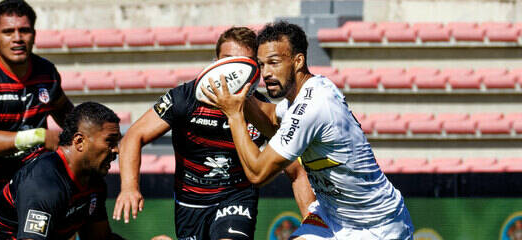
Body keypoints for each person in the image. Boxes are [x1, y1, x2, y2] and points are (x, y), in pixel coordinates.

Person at [201, 21, 414, 239]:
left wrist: (235, 114)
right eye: (261, 64)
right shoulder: (307, 93)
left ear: (298, 61)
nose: (266, 73)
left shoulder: (313, 107)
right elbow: (272, 118)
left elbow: (258, 173)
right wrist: (240, 93)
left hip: (377, 225)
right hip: (331, 216)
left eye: (274, 63)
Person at [113, 26, 314, 240]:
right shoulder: (185, 98)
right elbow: (134, 136)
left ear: (254, 69)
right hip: (190, 204)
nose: (233, 72)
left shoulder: (261, 112)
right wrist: (129, 188)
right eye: (227, 61)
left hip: (236, 198)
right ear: (215, 63)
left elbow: (297, 171)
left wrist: (314, 228)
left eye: (242, 64)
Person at [0, 0, 74, 229]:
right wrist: (39, 136)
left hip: (35, 180)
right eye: (8, 32)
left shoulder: (46, 72)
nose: (17, 38)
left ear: (34, 34)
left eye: (24, 30)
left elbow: (67, 113)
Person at [0, 102, 122, 240]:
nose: (116, 150)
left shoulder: (94, 181)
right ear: (79, 141)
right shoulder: (43, 183)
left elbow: (100, 238)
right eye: (110, 141)